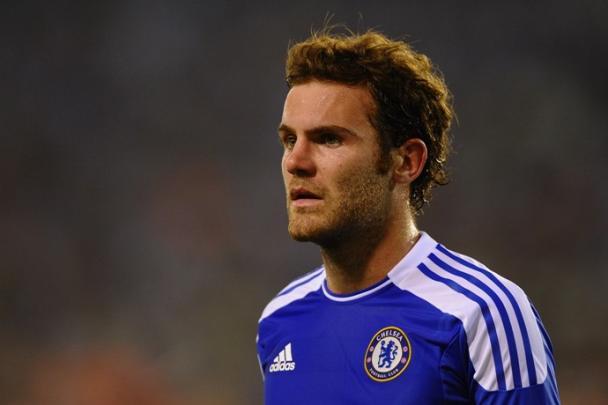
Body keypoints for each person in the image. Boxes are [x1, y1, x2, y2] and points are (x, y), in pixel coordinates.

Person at [256, 28, 560, 404]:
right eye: (289, 140)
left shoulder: (483, 315)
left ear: (406, 161)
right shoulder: (278, 320)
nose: (295, 162)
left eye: (329, 138)